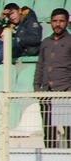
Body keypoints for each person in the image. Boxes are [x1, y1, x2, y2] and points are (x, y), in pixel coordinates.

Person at [35, 8, 71, 148]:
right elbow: (40, 65)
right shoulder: (46, 42)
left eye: (61, 21)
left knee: (68, 130)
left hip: (65, 91)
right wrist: (37, 87)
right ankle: (49, 156)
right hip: (46, 92)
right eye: (55, 21)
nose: (58, 24)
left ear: (67, 22)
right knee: (48, 131)